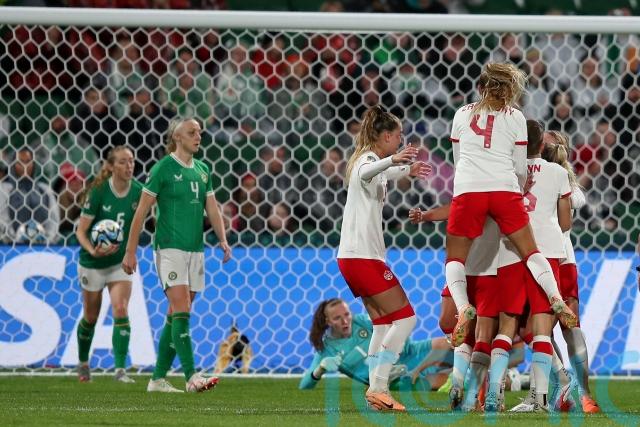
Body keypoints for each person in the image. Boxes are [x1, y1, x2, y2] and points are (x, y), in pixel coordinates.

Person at [444, 63, 577, 350]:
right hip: (504, 189)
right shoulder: (516, 116)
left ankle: (464, 307)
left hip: (469, 189)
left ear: (480, 87)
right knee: (531, 252)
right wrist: (517, 187)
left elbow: (458, 159)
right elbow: (519, 167)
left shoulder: (461, 113)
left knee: (455, 259)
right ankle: (555, 296)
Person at [122, 117, 231, 393]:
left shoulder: (203, 170)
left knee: (177, 313)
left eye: (199, 132)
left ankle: (157, 379)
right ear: (177, 137)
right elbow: (141, 212)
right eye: (191, 132)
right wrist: (130, 251)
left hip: (196, 250)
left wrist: (223, 239)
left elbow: (212, 207)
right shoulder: (163, 169)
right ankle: (191, 376)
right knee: (181, 307)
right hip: (169, 248)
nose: (198, 136)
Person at [337, 105, 431, 411]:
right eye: (398, 135)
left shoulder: (370, 161)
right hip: (363, 257)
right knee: (406, 318)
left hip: (355, 256)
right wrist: (394, 160)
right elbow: (366, 171)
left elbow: (382, 173)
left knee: (382, 323)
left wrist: (405, 170)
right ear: (387, 136)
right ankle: (379, 386)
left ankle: (375, 389)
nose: (401, 140)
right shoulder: (366, 160)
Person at [542, 130, 600, 414]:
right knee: (553, 329)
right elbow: (578, 200)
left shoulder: (549, 179)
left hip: (549, 259)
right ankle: (573, 391)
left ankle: (572, 389)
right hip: (558, 260)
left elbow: (577, 200)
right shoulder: (560, 181)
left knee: (548, 328)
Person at [75, 146, 141, 383]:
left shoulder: (139, 191)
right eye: (123, 162)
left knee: (121, 309)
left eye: (131, 161)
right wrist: (94, 250)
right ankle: (83, 363)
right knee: (90, 317)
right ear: (111, 166)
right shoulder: (98, 192)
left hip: (119, 263)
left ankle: (120, 370)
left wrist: (131, 252)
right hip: (92, 263)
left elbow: (146, 223)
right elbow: (81, 231)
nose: (129, 166)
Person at [300, 299, 452, 391]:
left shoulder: (361, 321)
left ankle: (454, 368)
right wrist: (320, 369)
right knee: (437, 380)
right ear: (327, 321)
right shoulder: (326, 350)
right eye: (337, 318)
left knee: (447, 344)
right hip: (390, 378)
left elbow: (392, 326)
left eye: (346, 314)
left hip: (409, 353)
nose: (345, 321)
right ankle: (453, 377)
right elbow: (304, 385)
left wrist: (397, 346)